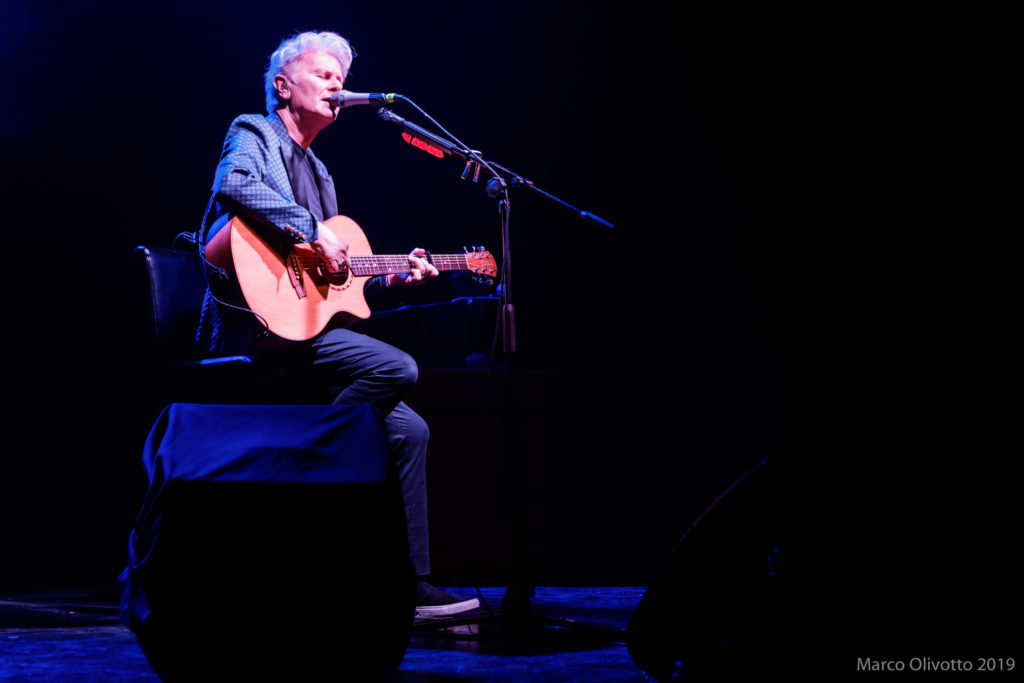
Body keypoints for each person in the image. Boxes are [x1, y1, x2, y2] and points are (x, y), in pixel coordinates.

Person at [195, 30, 479, 618]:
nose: (337, 85)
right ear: (283, 86)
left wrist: (391, 279)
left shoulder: (321, 172)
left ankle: (407, 582)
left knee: (411, 431)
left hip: (306, 332)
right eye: (324, 74)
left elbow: (333, 281)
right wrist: (310, 228)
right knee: (395, 366)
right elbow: (234, 187)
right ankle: (314, 496)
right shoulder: (253, 131)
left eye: (340, 77)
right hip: (251, 325)